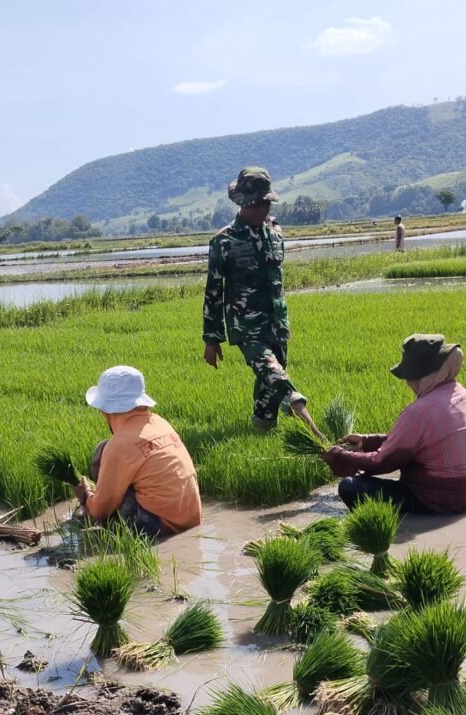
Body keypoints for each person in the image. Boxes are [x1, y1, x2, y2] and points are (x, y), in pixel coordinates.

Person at [202, 166, 322, 436]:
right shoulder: (224, 241)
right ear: (243, 204)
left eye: (266, 203)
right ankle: (319, 436)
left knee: (268, 385)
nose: (262, 210)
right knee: (277, 378)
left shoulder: (276, 233)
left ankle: (262, 429)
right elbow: (213, 291)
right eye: (256, 204)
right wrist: (212, 339)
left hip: (277, 323)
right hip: (247, 326)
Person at [320, 334, 466, 514]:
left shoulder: (419, 412)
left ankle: (397, 527)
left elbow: (381, 462)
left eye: (408, 377)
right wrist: (366, 441)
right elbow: (416, 443)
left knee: (350, 487)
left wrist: (339, 455)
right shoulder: (462, 395)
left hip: (441, 503)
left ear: (418, 376)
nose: (407, 383)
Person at [74, 365, 203, 537]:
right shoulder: (159, 422)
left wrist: (85, 495)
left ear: (104, 410)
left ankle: (112, 532)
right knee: (106, 448)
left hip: (159, 527)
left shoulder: (119, 445)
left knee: (102, 452)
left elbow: (99, 511)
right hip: (192, 518)